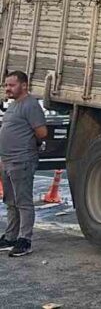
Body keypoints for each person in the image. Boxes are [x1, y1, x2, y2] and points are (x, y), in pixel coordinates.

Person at [0, 71, 47, 257]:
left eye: (11, 85)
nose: (7, 89)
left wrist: (29, 146)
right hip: (7, 160)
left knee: (23, 202)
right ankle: (11, 237)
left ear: (24, 85)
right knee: (11, 201)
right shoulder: (14, 105)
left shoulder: (30, 105)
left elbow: (42, 132)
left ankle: (25, 240)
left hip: (22, 160)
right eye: (6, 85)